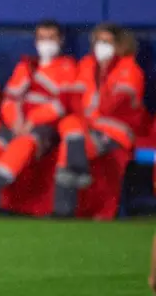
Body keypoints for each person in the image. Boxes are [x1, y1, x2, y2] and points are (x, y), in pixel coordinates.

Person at [0, 20, 77, 215]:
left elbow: (63, 104)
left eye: (51, 38)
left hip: (46, 126)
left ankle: (1, 178)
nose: (46, 43)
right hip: (18, 124)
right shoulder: (26, 65)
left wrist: (33, 120)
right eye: (42, 38)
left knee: (24, 143)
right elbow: (10, 97)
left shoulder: (68, 67)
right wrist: (16, 121)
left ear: (60, 40)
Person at [53, 23, 147, 220]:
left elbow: (113, 106)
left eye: (107, 42)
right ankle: (66, 205)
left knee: (70, 146)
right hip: (88, 125)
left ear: (120, 45)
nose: (101, 46)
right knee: (70, 131)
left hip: (116, 131)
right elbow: (73, 99)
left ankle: (63, 210)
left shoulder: (129, 69)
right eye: (98, 41)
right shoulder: (87, 65)